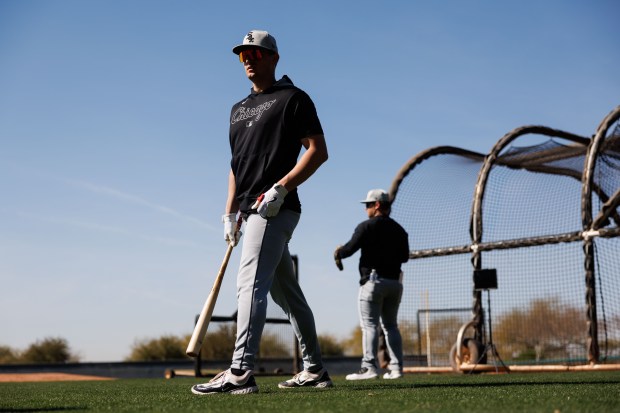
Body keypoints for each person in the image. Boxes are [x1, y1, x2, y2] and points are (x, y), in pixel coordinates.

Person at [191, 30, 332, 395]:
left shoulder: (293, 98)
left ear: (273, 57)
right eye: (243, 55)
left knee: (249, 284)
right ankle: (315, 370)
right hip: (247, 211)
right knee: (287, 295)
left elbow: (317, 151)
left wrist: (281, 188)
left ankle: (240, 371)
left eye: (256, 53)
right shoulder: (236, 109)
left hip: (275, 208)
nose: (249, 59)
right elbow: (236, 166)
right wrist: (228, 212)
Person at [334, 189, 409, 380]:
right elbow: (404, 257)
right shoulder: (400, 230)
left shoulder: (366, 226)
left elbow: (348, 250)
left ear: (376, 205)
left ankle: (369, 367)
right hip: (395, 283)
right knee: (391, 326)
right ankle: (397, 369)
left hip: (373, 282)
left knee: (369, 326)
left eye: (368, 204)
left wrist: (338, 252)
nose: (365, 208)